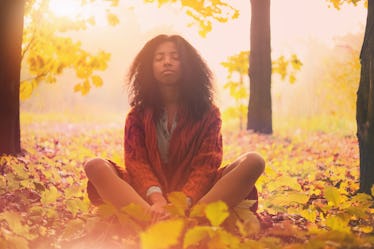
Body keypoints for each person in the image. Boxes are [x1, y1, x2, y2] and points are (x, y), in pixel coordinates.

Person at [84, 34, 265, 222]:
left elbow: (206, 165)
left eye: (175, 57)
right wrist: (158, 200)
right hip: (147, 197)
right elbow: (136, 163)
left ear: (188, 65)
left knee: (254, 161)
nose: (167, 62)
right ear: (149, 67)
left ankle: (191, 220)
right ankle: (151, 220)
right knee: (95, 165)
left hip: (197, 197)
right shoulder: (137, 115)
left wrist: (184, 202)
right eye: (159, 58)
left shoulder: (209, 113)